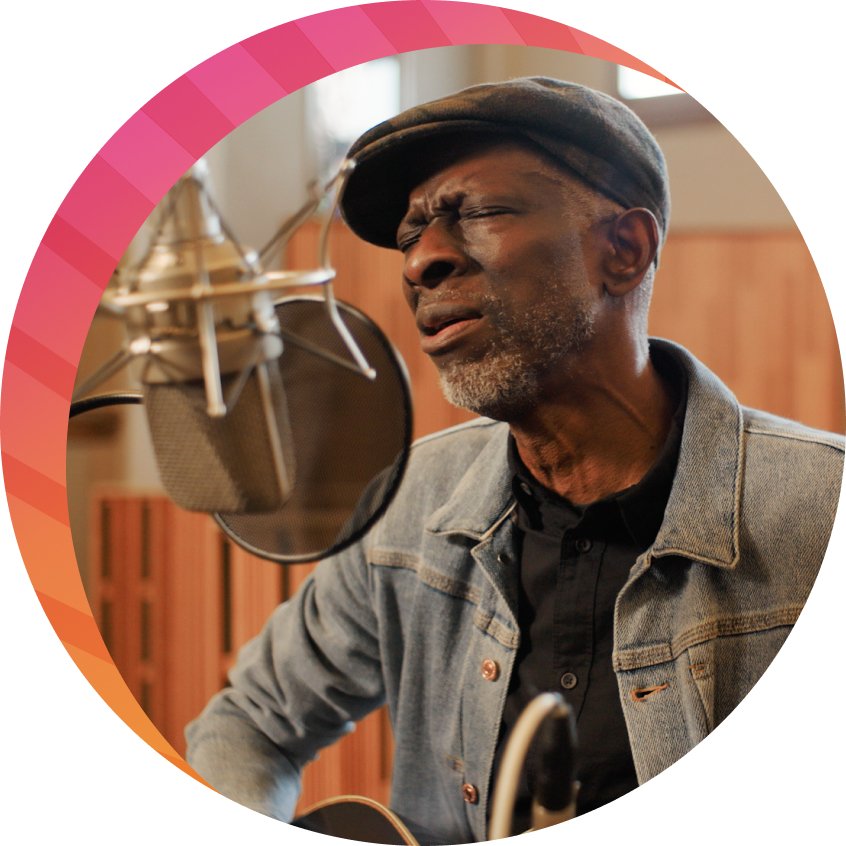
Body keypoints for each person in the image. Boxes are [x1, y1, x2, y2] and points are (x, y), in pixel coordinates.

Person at [185, 78, 844, 843]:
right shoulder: (407, 506)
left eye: (481, 212)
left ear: (624, 251)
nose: (421, 261)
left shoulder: (818, 512)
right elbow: (248, 724)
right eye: (410, 234)